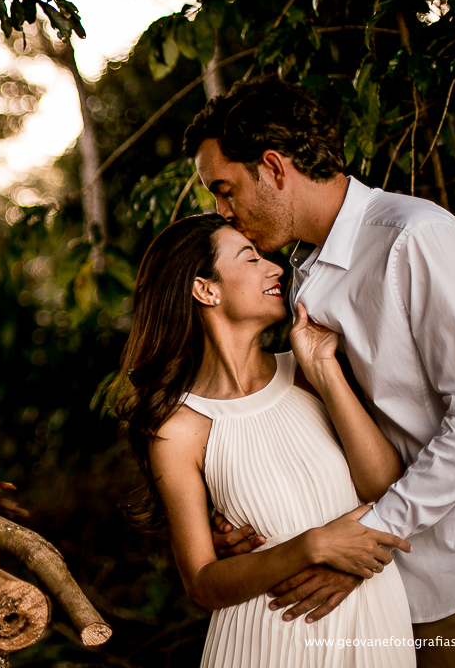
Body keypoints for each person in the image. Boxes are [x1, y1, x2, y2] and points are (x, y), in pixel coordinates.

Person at [185, 76, 455, 667]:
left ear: (274, 167)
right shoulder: (303, 275)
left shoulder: (414, 237)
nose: (222, 211)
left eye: (226, 189)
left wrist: (372, 537)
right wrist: (249, 513)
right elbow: (319, 428)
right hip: (372, 589)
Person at [118, 213, 415, 667]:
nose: (275, 268)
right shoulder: (177, 429)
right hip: (267, 638)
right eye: (250, 257)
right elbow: (202, 583)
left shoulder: (309, 372)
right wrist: (312, 545)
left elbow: (384, 484)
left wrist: (323, 368)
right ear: (206, 289)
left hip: (373, 624)